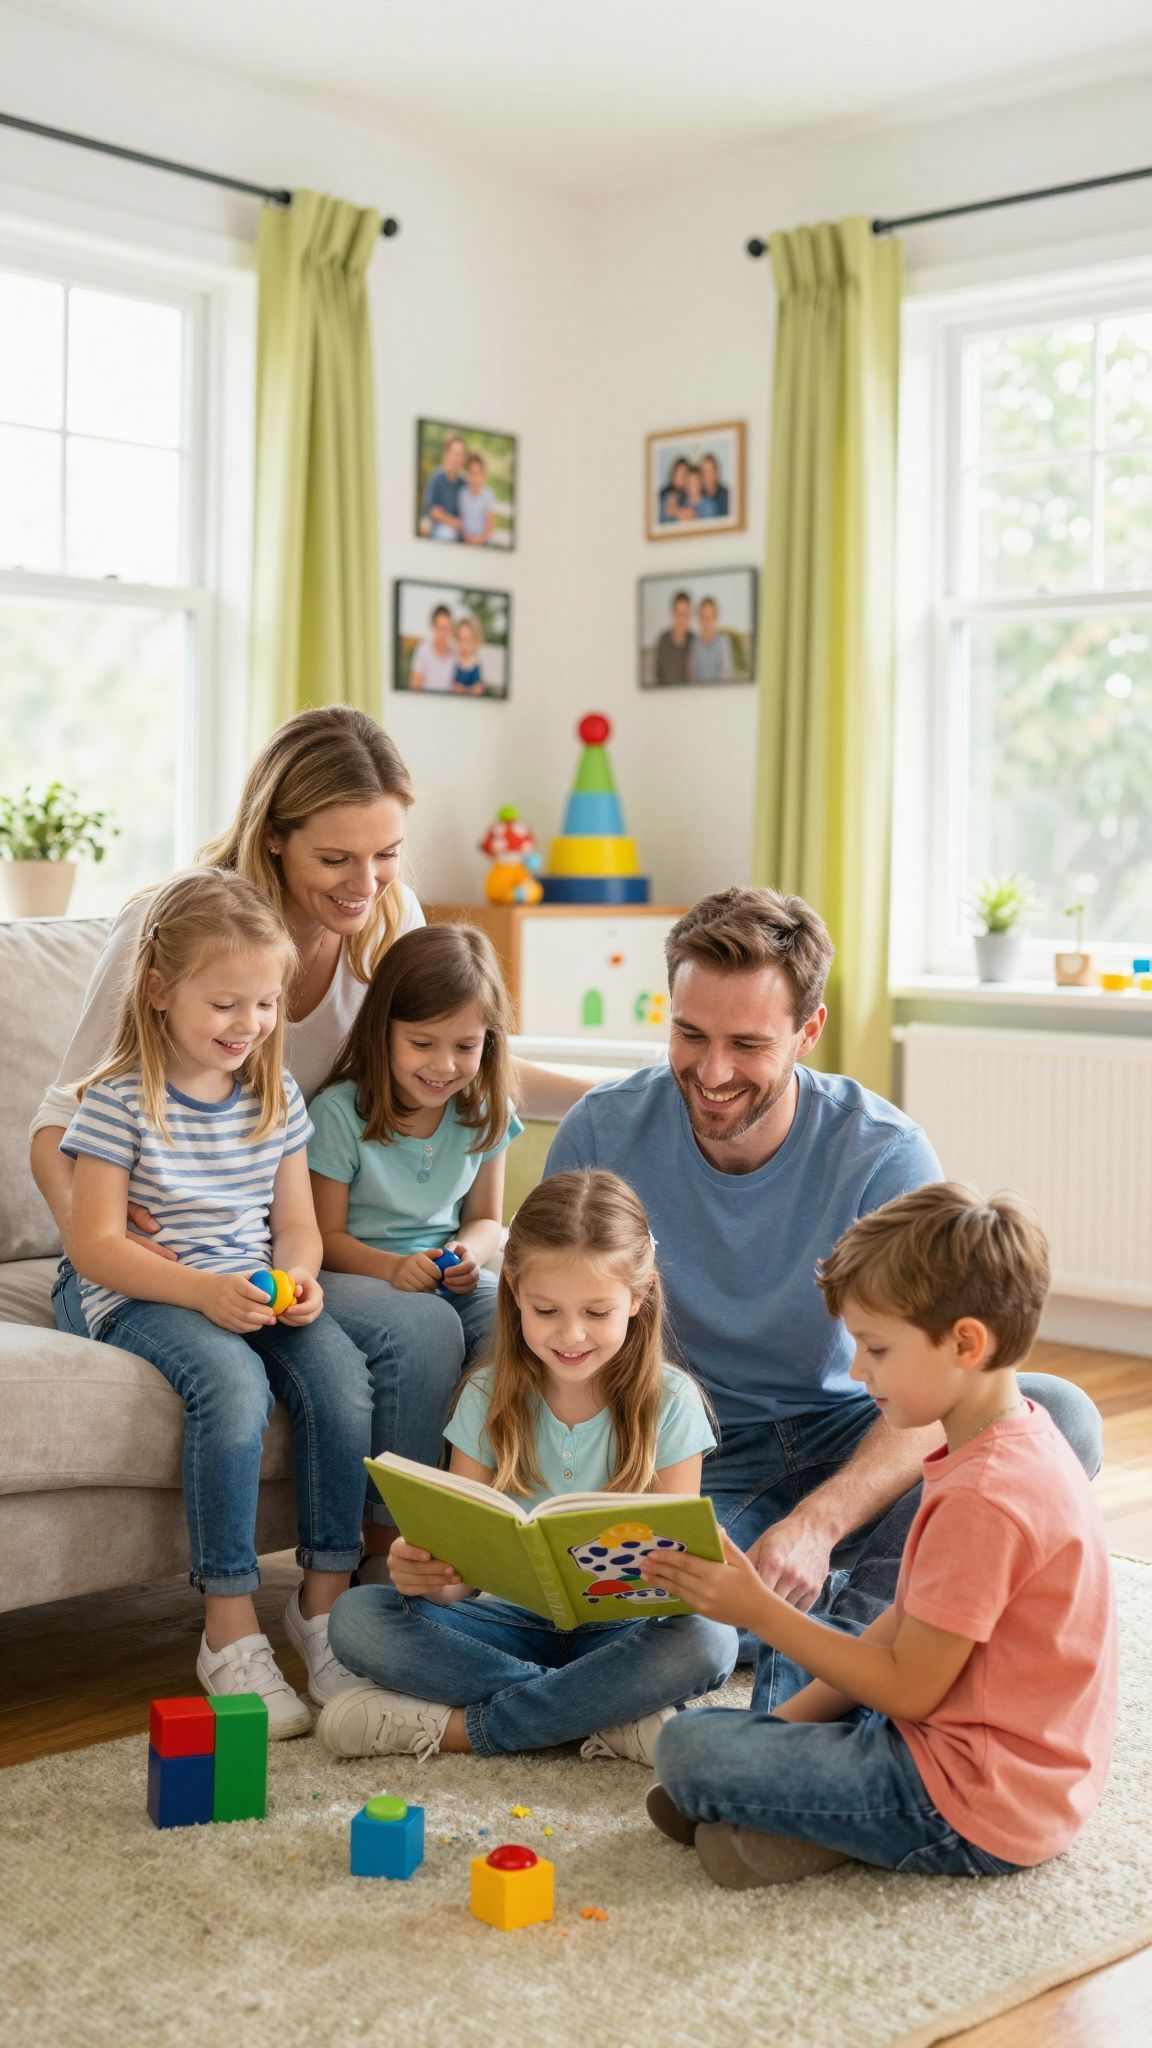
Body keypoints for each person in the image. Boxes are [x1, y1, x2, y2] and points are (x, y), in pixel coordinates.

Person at [31, 707, 586, 1569]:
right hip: (200, 1243)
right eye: (336, 859)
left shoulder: (391, 916)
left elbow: (463, 1053)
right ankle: (387, 1563)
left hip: (302, 1231)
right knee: (416, 1328)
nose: (367, 883)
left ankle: (497, 1548)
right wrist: (103, 1235)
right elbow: (58, 1123)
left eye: (387, 853)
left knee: (508, 1308)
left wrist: (622, 1091)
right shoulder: (182, 926)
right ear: (275, 836)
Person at [544, 887, 1103, 1711]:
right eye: (690, 1034)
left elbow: (941, 1374)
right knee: (633, 1613)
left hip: (864, 1425)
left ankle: (834, 1636)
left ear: (808, 1032)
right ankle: (868, 1615)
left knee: (1054, 1416)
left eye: (748, 1044)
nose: (712, 1072)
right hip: (694, 1446)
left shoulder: (883, 1155)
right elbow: (557, 1344)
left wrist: (819, 1521)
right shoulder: (600, 1134)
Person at [644, 1184, 1117, 1888]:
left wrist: (759, 1611)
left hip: (976, 1802)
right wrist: (777, 1733)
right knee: (728, 1741)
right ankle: (783, 1830)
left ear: (965, 1343)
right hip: (999, 1769)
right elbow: (900, 1626)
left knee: (687, 1748)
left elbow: (909, 1690)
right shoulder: (1007, 1441)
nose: (858, 1370)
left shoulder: (987, 1497)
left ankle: (822, 1829)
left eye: (876, 1348)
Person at [61, 868, 373, 1733]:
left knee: (342, 1381)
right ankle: (229, 1629)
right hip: (140, 1289)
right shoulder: (120, 1101)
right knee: (232, 1386)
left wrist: (300, 1280)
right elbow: (95, 1246)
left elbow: (297, 1227)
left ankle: (322, 1610)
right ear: (160, 991)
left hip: (246, 1284)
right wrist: (202, 1291)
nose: (250, 1024)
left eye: (266, 1004)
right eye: (226, 1004)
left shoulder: (276, 1099)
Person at [315, 1170, 738, 1765]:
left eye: (597, 1311)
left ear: (638, 1297)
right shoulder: (486, 1395)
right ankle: (606, 1711)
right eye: (546, 1310)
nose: (571, 1334)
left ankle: (466, 1729)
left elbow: (675, 1588)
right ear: (514, 1292)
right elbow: (458, 1580)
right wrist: (427, 1572)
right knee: (357, 1617)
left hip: (621, 1632)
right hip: (506, 1624)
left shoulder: (672, 1402)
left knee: (710, 1639)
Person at [308, 921, 522, 1563]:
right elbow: (322, 1238)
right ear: (384, 1032)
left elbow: (487, 1219)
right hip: (351, 1271)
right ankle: (390, 1541)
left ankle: (485, 1513)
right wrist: (393, 1268)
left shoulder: (484, 1111)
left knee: (518, 1318)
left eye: (465, 1046)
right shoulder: (340, 1113)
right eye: (422, 1043)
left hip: (438, 1273)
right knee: (425, 1328)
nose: (443, 1065)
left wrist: (469, 1257)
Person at [421, 433, 465, 540]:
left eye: (460, 455)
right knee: (446, 534)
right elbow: (434, 512)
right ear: (446, 454)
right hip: (436, 527)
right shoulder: (437, 478)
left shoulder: (463, 483)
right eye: (454, 453)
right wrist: (453, 522)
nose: (457, 458)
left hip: (457, 530)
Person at [408, 604, 457, 693]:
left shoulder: (456, 650)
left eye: (446, 628)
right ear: (433, 627)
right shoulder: (423, 649)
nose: (443, 634)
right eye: (440, 628)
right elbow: (415, 683)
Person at [654, 590, 695, 688]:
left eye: (685, 614)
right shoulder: (662, 641)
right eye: (679, 614)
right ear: (673, 614)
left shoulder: (695, 641)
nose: (682, 619)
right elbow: (657, 678)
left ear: (690, 615)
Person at [689, 597, 733, 684]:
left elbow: (724, 678)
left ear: (716, 618)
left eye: (710, 618)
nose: (706, 622)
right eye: (703, 617)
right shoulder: (694, 645)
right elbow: (692, 678)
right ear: (699, 619)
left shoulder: (723, 643)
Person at [459, 451, 496, 546]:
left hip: (482, 539)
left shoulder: (488, 495)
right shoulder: (463, 494)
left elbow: (490, 525)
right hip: (466, 539)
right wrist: (467, 537)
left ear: (483, 475)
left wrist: (480, 539)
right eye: (471, 473)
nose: (474, 478)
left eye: (478, 474)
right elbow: (461, 521)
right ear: (467, 474)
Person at [450, 615, 486, 694]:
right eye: (460, 640)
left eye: (467, 641)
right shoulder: (454, 662)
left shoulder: (476, 664)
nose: (463, 645)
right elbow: (451, 684)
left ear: (476, 643)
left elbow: (479, 687)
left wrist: (472, 690)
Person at [659, 456, 690, 525]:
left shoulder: (687, 497)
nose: (681, 478)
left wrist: (675, 511)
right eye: (678, 473)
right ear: (673, 474)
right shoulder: (662, 496)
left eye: (684, 474)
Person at [698, 453, 730, 520]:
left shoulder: (727, 496)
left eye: (710, 471)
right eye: (704, 471)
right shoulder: (696, 496)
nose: (707, 476)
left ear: (716, 473)